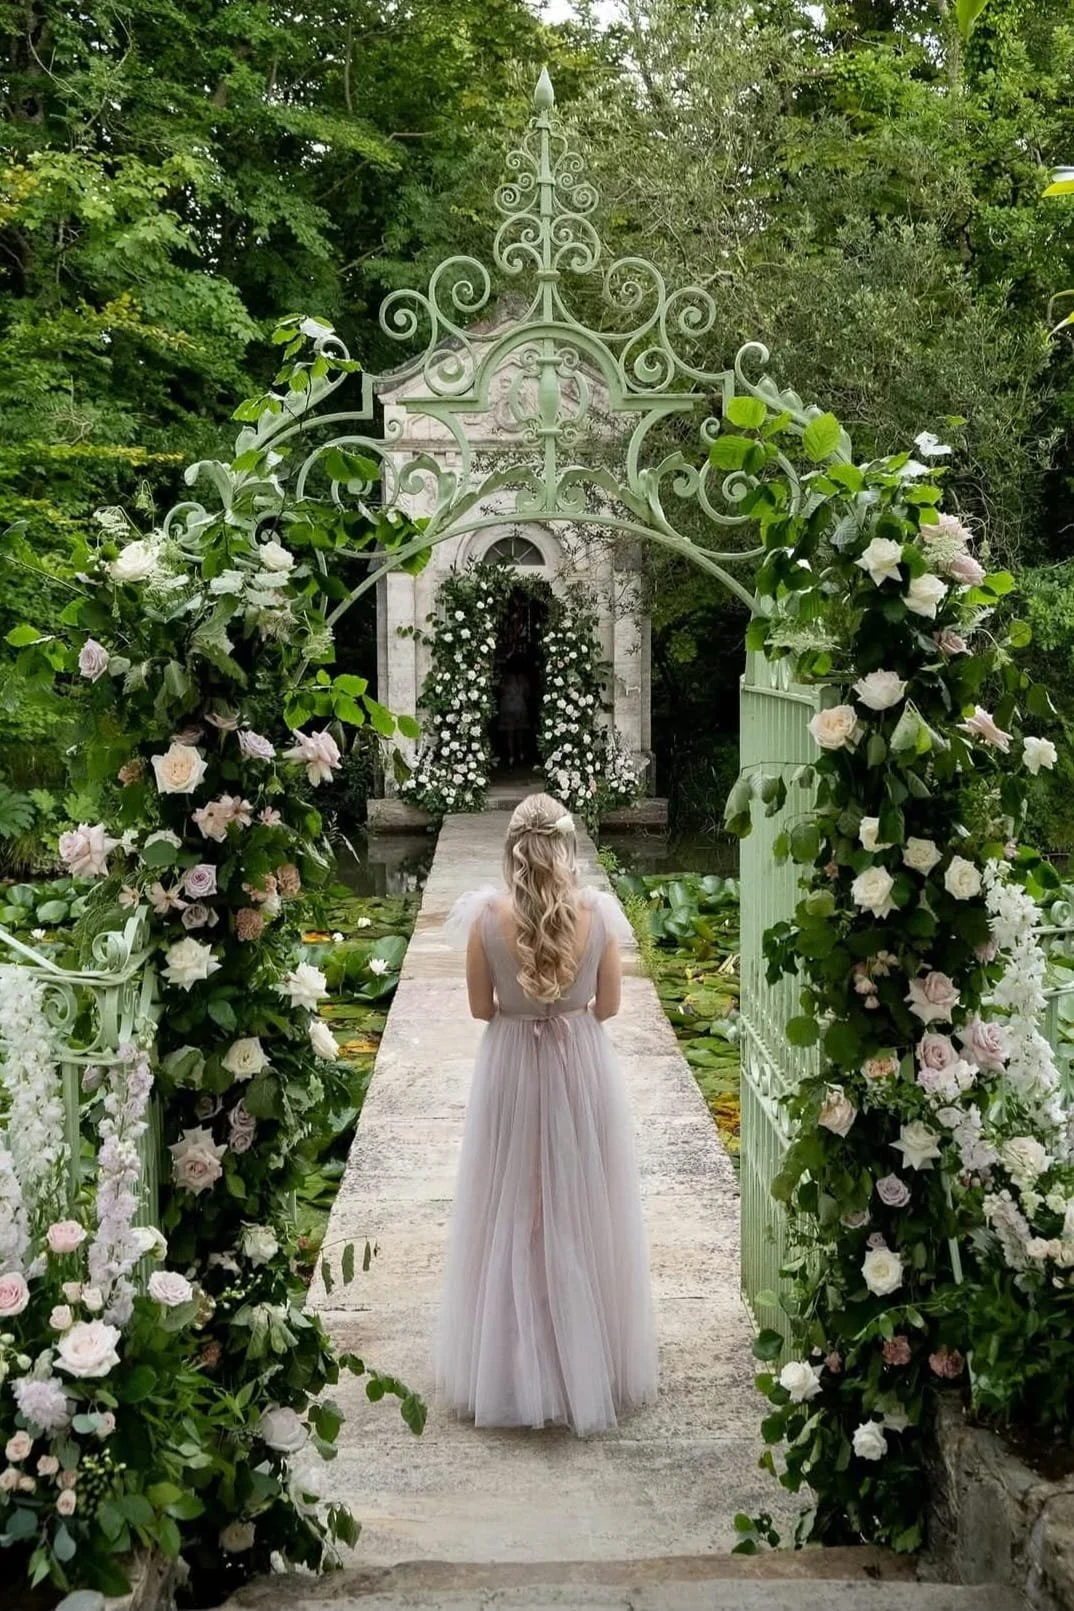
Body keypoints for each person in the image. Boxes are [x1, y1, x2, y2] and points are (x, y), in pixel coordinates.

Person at [434, 793, 658, 1435]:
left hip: (511, 1065)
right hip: (579, 1063)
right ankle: (585, 1357)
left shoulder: (484, 918)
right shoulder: (598, 915)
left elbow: (482, 1009)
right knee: (583, 1201)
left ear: (512, 850)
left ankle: (510, 1364)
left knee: (511, 1203)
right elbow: (609, 1007)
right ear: (568, 848)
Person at [498, 662, 531, 769]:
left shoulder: (505, 679)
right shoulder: (523, 679)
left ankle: (511, 756)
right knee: (520, 732)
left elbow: (500, 691)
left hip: (507, 706)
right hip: (520, 706)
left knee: (510, 733)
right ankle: (521, 754)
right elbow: (527, 693)